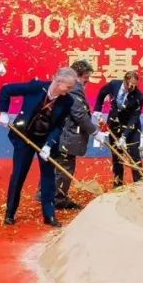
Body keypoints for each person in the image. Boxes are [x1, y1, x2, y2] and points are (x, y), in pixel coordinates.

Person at [0, 67, 78, 226]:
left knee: (48, 177)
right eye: (68, 87)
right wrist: (3, 112)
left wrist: (49, 145)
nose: (70, 90)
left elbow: (59, 126)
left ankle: (49, 215)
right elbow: (6, 90)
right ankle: (10, 213)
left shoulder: (68, 100)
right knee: (19, 174)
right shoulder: (36, 87)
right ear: (58, 81)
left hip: (45, 140)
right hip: (24, 137)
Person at [55, 60, 104, 208]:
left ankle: (46, 193)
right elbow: (79, 115)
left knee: (58, 165)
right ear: (77, 75)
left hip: (61, 132)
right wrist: (94, 131)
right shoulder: (74, 88)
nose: (87, 81)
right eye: (86, 78)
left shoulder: (67, 85)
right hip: (67, 134)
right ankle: (58, 199)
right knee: (65, 167)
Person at [94, 69, 143, 188]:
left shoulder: (139, 96)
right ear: (124, 81)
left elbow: (134, 117)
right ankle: (118, 184)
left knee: (134, 154)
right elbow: (102, 93)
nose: (132, 88)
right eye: (129, 85)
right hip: (114, 124)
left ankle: (139, 184)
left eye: (134, 86)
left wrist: (124, 137)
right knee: (117, 155)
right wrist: (97, 109)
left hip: (131, 127)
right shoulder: (114, 85)